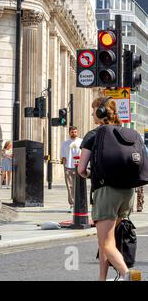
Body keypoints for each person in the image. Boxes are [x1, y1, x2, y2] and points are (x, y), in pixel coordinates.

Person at [78, 96, 137, 281]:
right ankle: (102, 278)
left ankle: (128, 275)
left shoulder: (94, 134)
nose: (91, 113)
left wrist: (90, 174)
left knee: (106, 242)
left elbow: (81, 169)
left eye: (93, 109)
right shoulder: (126, 132)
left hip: (106, 191)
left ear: (101, 111)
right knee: (105, 240)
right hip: (127, 192)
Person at [61, 126, 83, 213]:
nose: (73, 133)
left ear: (77, 132)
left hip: (78, 166)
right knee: (70, 186)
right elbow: (63, 156)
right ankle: (72, 204)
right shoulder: (65, 143)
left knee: (78, 186)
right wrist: (64, 166)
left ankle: (79, 203)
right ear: (69, 133)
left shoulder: (81, 142)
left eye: (75, 132)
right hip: (68, 166)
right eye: (72, 132)